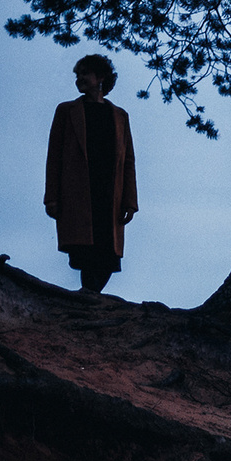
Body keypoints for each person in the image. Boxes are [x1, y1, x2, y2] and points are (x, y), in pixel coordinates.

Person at [44, 53, 138, 295]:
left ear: (101, 77)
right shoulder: (66, 111)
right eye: (77, 75)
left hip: (110, 196)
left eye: (85, 73)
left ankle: (89, 297)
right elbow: (54, 156)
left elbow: (128, 161)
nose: (80, 79)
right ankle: (89, 297)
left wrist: (130, 201)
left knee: (108, 253)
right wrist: (51, 197)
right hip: (78, 194)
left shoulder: (120, 116)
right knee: (84, 251)